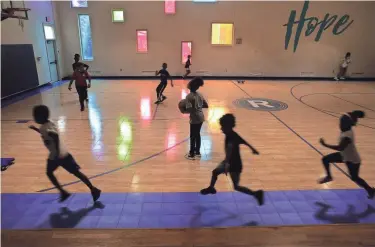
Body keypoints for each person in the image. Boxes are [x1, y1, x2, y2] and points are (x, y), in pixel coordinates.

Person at [29, 105, 101, 203]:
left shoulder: (46, 128)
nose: (34, 118)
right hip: (61, 154)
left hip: (58, 156)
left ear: (40, 117)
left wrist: (57, 153)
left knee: (52, 173)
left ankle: (66, 192)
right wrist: (35, 129)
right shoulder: (47, 125)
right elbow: (46, 133)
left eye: (35, 116)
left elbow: (55, 136)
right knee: (72, 173)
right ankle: (92, 189)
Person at [200, 114, 264, 206]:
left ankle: (257, 194)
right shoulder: (234, 134)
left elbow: (229, 152)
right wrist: (252, 149)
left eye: (222, 127)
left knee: (236, 186)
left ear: (228, 126)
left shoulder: (231, 137)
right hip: (230, 162)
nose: (221, 129)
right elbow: (244, 141)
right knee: (215, 172)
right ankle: (211, 188)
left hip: (234, 165)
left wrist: (226, 165)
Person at [319, 110, 375, 199]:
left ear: (346, 125)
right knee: (325, 159)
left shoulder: (347, 135)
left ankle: (370, 190)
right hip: (344, 155)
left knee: (355, 178)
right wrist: (358, 114)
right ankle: (329, 176)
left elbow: (340, 148)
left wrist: (325, 144)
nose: (340, 125)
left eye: (341, 124)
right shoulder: (347, 125)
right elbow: (351, 114)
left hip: (352, 159)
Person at [185, 77, 208, 160]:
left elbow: (188, 109)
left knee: (192, 136)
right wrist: (198, 106)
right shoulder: (200, 95)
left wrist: (183, 108)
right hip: (201, 117)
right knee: (197, 134)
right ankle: (197, 152)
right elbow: (206, 105)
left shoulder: (188, 97)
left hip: (194, 117)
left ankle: (191, 154)